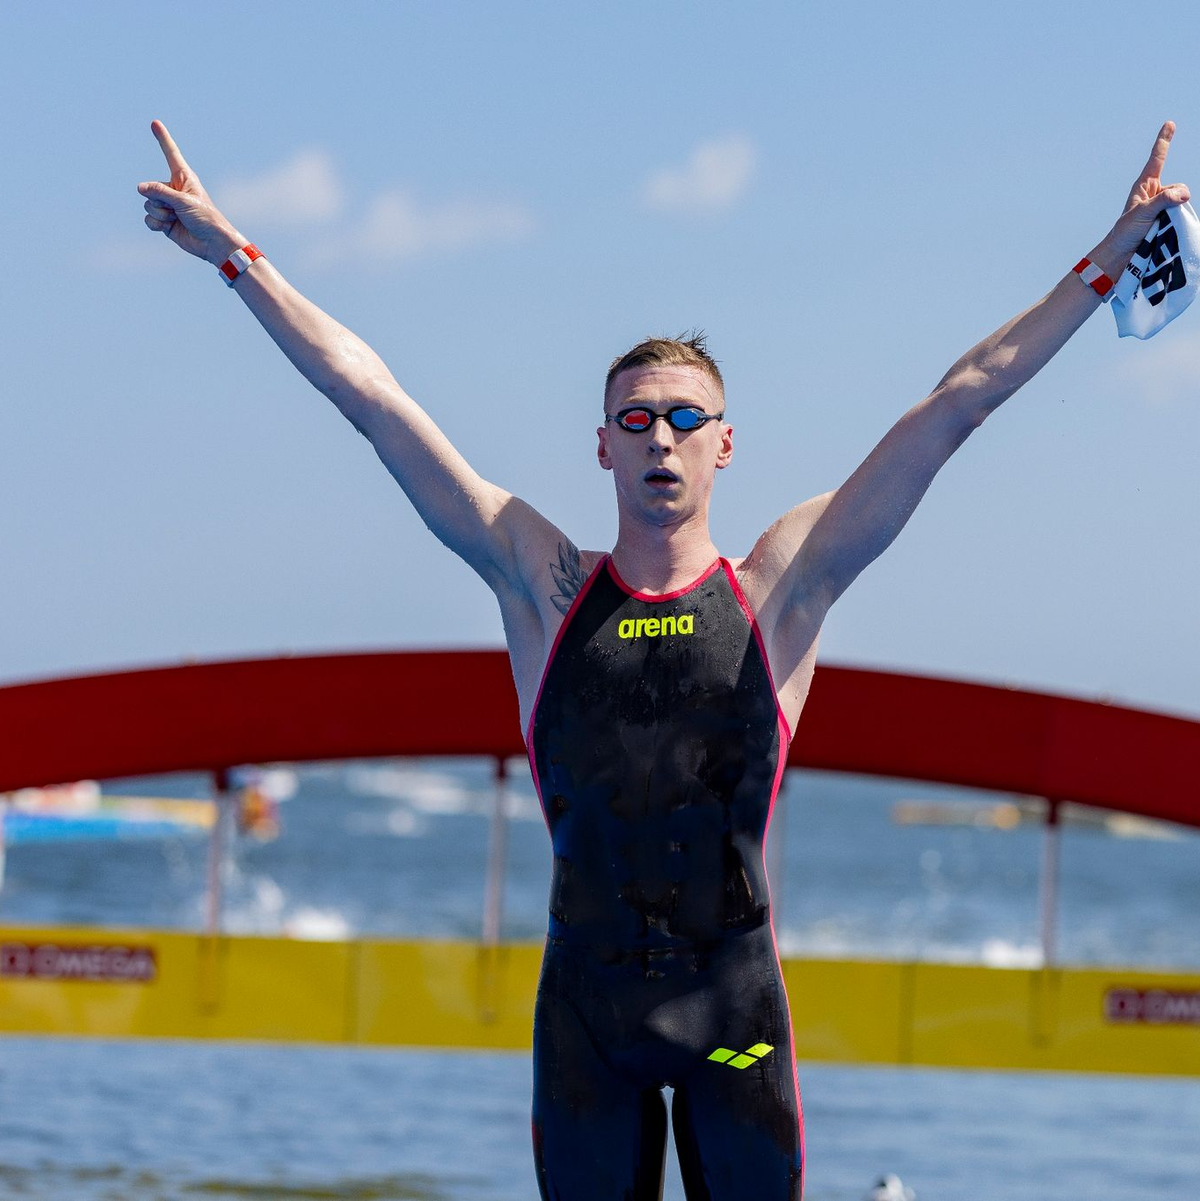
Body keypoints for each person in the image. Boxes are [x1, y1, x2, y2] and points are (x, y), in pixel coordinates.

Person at [138, 120, 1189, 1200]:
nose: (660, 438)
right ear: (602, 443)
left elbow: (961, 398)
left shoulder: (782, 585)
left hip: (733, 1025)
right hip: (586, 1025)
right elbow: (373, 401)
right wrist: (237, 257)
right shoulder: (539, 582)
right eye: (635, 419)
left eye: (686, 418)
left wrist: (1108, 257)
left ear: (724, 442)